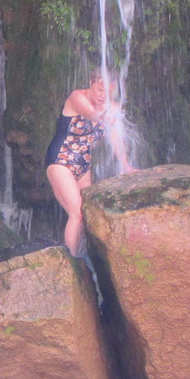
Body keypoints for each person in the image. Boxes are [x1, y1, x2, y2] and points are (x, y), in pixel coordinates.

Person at [44, 70, 133, 257]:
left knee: (87, 213)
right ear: (91, 84)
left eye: (109, 93)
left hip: (83, 166)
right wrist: (104, 116)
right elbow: (91, 114)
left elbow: (116, 138)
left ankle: (86, 259)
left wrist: (125, 164)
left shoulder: (111, 107)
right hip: (61, 160)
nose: (104, 97)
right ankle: (71, 261)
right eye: (100, 90)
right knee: (76, 213)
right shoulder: (77, 97)